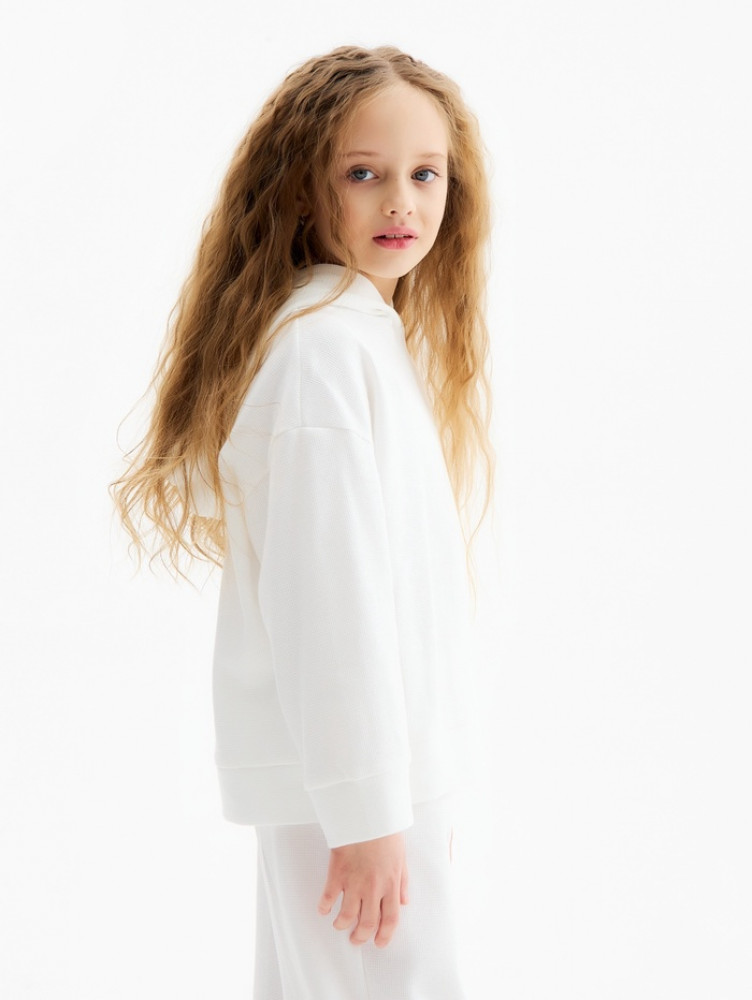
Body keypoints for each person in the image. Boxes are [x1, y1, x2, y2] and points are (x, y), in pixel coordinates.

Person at [112, 43, 495, 1000]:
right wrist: (369, 814)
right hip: (351, 793)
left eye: (425, 174)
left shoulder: (359, 338)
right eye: (363, 174)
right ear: (298, 190)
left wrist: (405, 796)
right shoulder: (322, 353)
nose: (401, 202)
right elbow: (330, 604)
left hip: (370, 785)